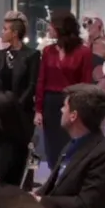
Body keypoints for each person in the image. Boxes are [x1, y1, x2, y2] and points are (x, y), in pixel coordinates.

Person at [33, 84, 105, 208]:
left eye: (65, 107)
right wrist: (31, 197)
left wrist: (43, 202)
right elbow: (52, 186)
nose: (61, 110)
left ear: (73, 116)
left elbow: (86, 204)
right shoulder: (73, 144)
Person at [35, 10, 93, 166]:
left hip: (72, 103)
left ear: (60, 27)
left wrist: (80, 108)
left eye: (51, 25)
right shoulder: (48, 51)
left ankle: (70, 176)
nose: (48, 28)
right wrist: (38, 110)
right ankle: (53, 177)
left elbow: (86, 83)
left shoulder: (84, 52)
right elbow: (41, 80)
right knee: (52, 147)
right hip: (50, 103)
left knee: (72, 146)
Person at [0, 13, 39, 133]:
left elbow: (32, 85)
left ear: (15, 33)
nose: (1, 32)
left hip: (23, 112)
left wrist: (17, 106)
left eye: (5, 29)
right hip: (0, 110)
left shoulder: (32, 55)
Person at [83, 16, 105, 100]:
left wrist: (101, 84)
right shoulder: (83, 45)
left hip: (99, 86)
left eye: (91, 23)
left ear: (99, 26)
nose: (88, 26)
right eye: (86, 25)